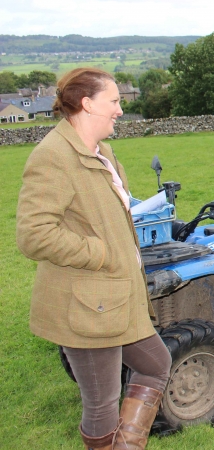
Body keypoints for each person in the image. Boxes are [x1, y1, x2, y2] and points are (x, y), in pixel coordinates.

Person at [16, 68, 171, 450]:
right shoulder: (54, 156)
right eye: (114, 101)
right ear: (87, 104)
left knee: (156, 364)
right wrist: (101, 252)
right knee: (102, 403)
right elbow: (33, 234)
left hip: (117, 298)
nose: (120, 109)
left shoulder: (103, 152)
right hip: (87, 307)